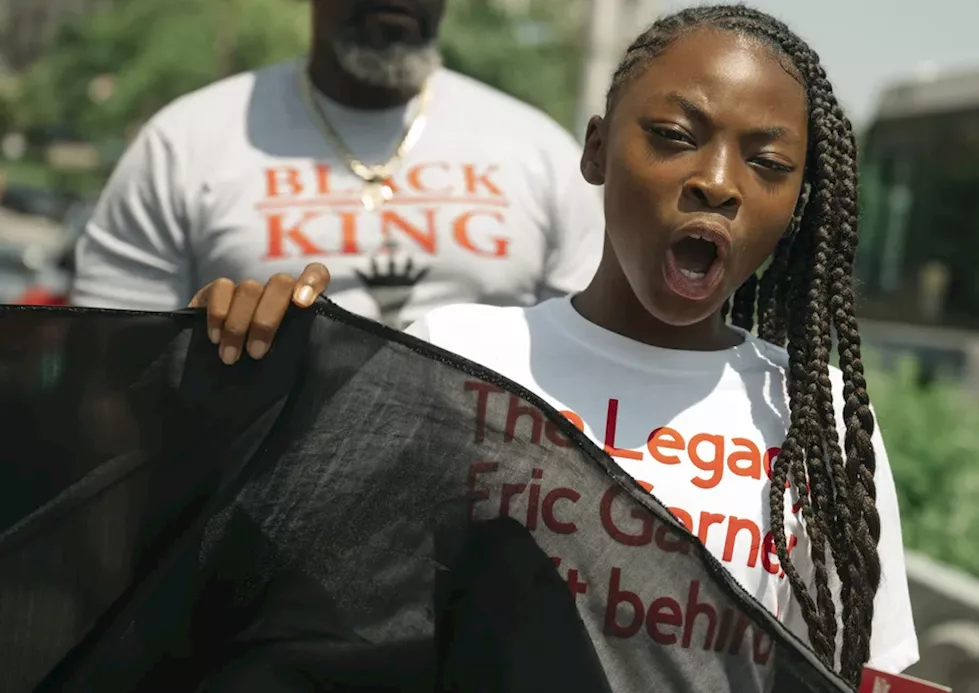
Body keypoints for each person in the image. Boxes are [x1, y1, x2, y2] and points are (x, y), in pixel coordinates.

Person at [184, 4, 919, 685]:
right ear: (596, 151)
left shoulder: (814, 419)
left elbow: (861, 672)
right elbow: (309, 605)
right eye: (673, 137)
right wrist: (241, 386)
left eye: (767, 164)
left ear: (798, 204)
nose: (717, 182)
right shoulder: (455, 355)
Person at [72, 0, 603, 339]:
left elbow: (591, 356)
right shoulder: (185, 142)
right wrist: (202, 351)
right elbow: (106, 372)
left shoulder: (538, 152)